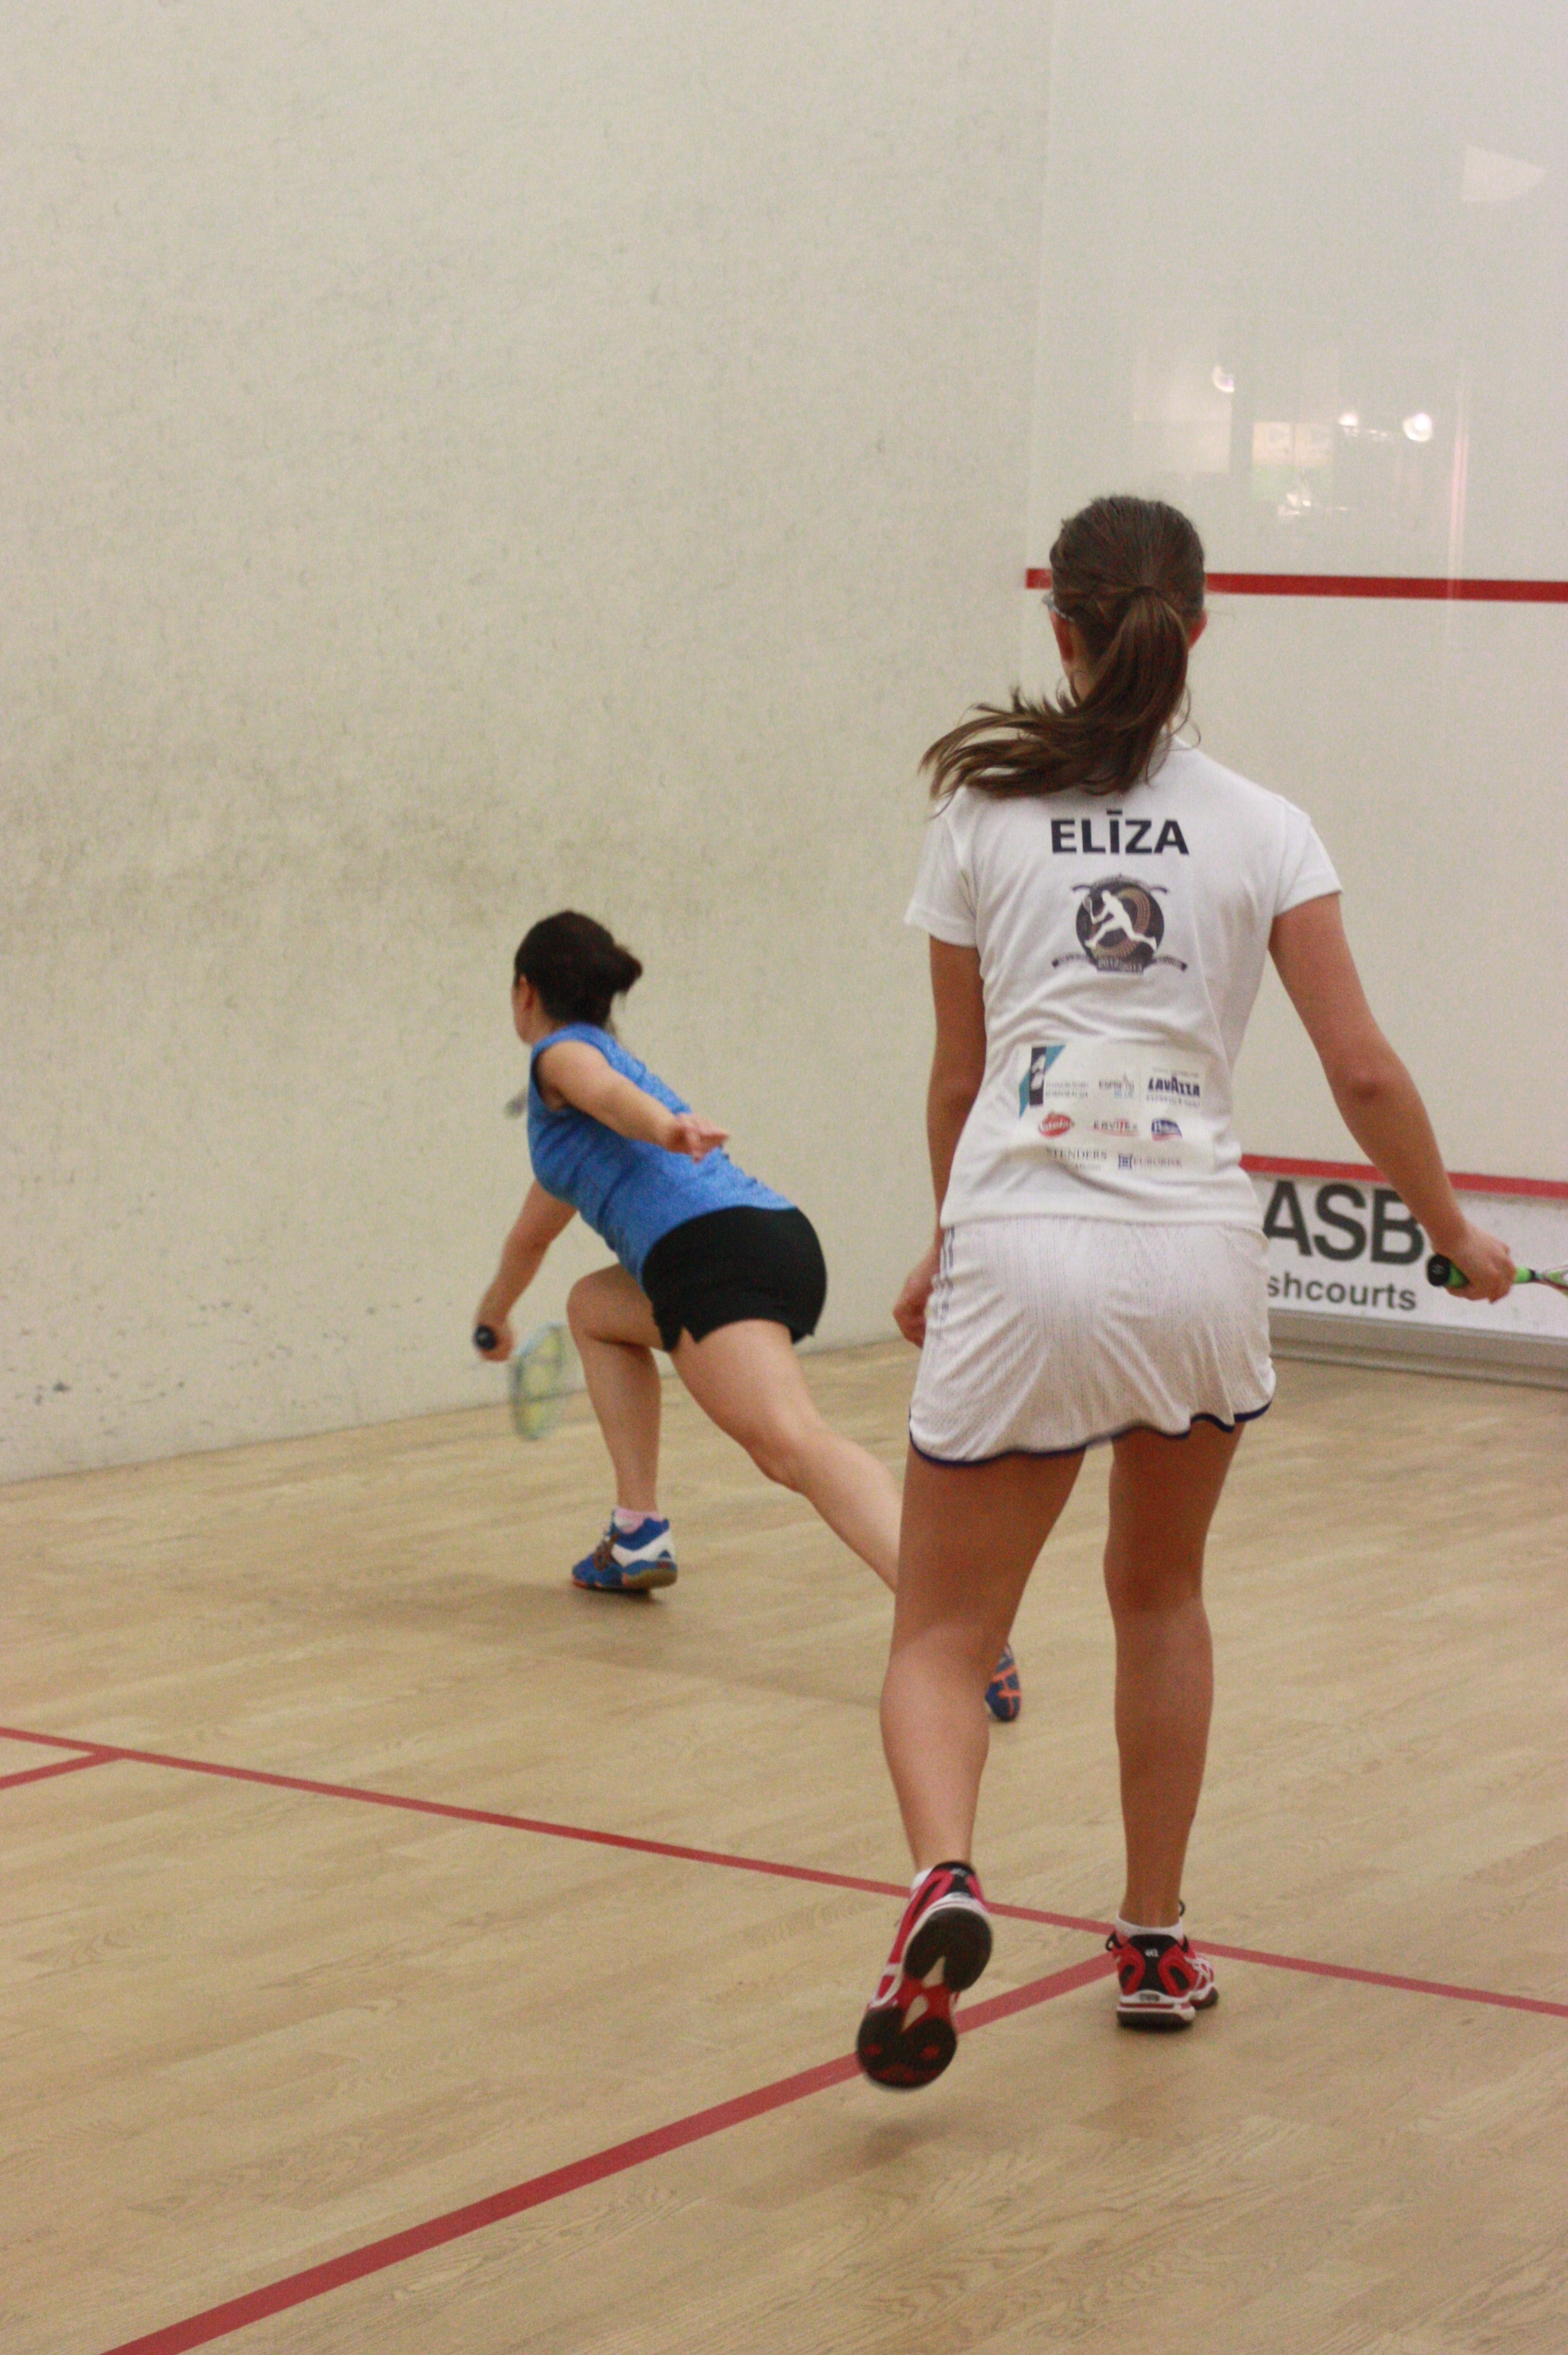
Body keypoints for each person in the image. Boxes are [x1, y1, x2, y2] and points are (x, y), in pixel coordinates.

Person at [855, 493, 1516, 2089]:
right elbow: (1362, 1069)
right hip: (1194, 1263)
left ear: (1060, 627)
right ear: (1199, 625)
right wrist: (1450, 1231)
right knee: (1156, 1594)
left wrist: (953, 1236)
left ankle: (944, 1877)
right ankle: (1151, 1937)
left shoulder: (979, 816)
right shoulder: (1264, 824)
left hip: (1022, 1249)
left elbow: (956, 1079)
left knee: (942, 1631)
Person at [473, 911, 1021, 1718]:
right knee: (593, 1306)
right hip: (770, 1238)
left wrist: (664, 1127)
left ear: (525, 991)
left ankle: (961, 1628)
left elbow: (610, 1097)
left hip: (711, 1255)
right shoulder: (569, 1132)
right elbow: (532, 1233)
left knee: (793, 1444)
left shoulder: (565, 1058)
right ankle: (636, 1534)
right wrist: (495, 1314)